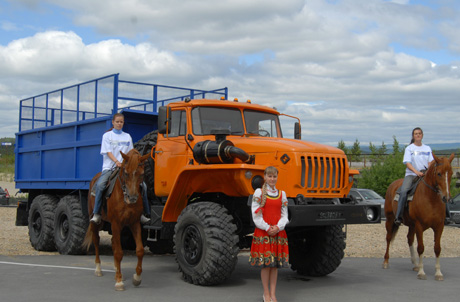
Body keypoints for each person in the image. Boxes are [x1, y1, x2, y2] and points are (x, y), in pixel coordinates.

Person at [90, 113, 151, 225]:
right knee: (100, 185)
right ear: (113, 122)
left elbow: (131, 153)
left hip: (125, 168)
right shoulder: (107, 136)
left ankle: (144, 214)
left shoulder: (127, 136)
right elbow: (108, 152)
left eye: (121, 122)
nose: (119, 124)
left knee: (144, 187)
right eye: (117, 122)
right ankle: (97, 213)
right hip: (110, 167)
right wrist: (116, 162)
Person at [249, 166, 289, 302]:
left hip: (277, 233)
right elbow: (256, 215)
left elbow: (285, 215)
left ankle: (273, 294)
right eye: (270, 176)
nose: (272, 179)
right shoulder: (259, 193)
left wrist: (277, 227)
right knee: (266, 265)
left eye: (274, 176)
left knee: (275, 266)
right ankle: (266, 293)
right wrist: (267, 228)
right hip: (264, 233)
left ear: (277, 177)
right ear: (265, 177)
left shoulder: (282, 194)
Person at [395, 127, 435, 226]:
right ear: (413, 136)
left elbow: (431, 161)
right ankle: (399, 216)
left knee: (439, 188)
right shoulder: (409, 148)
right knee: (404, 191)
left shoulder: (427, 148)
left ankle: (446, 216)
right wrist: (416, 172)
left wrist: (428, 170)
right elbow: (407, 163)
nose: (418, 135)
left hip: (425, 174)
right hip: (412, 174)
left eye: (419, 133)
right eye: (416, 133)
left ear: (422, 135)